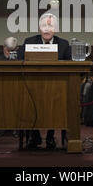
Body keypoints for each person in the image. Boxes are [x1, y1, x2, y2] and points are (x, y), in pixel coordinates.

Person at [17, 13, 71, 149]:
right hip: (32, 87)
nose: (47, 29)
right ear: (39, 28)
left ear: (56, 29)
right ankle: (33, 137)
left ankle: (50, 137)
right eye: (44, 26)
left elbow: (71, 64)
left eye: (50, 26)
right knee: (28, 102)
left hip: (56, 88)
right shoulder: (29, 41)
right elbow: (18, 60)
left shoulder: (64, 44)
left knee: (56, 103)